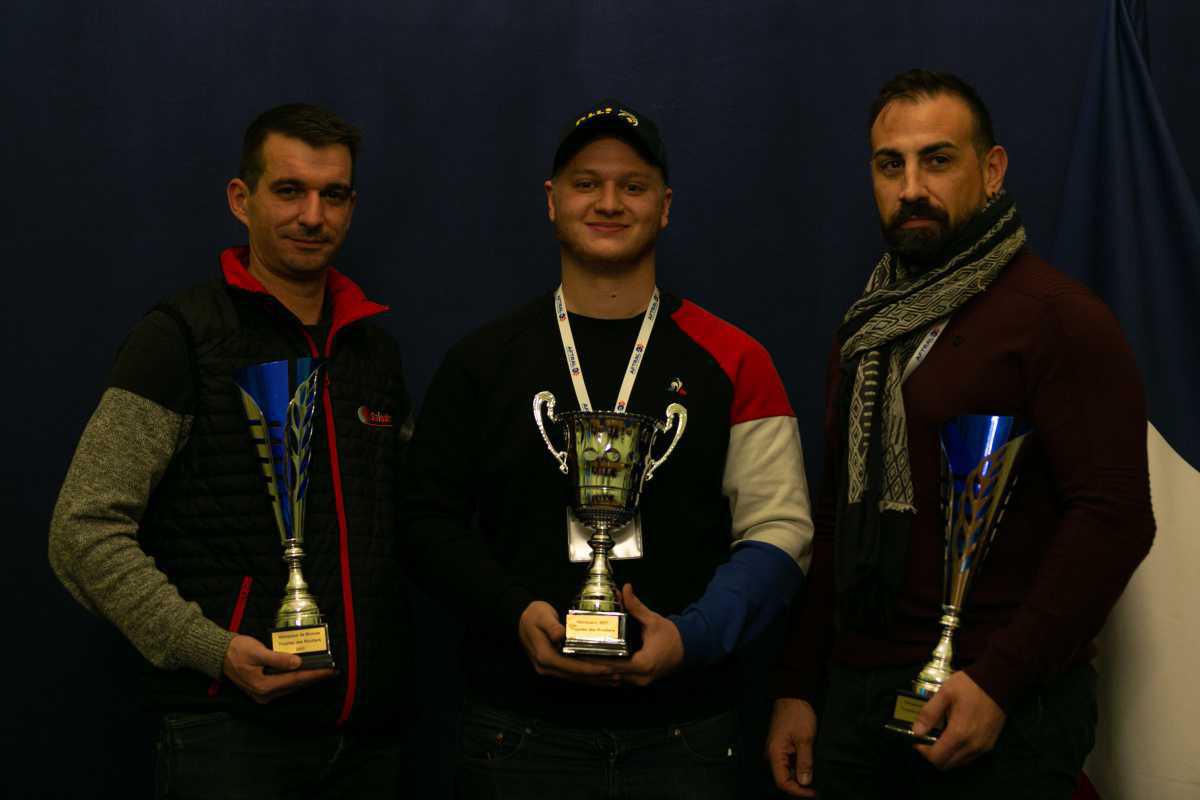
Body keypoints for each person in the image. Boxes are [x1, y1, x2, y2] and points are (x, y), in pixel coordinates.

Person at [400, 98, 814, 798]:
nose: (610, 202)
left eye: (634, 185)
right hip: (517, 733)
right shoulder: (481, 362)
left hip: (686, 734)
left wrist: (692, 636)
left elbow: (781, 531)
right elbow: (424, 519)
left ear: (665, 206)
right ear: (552, 200)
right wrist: (514, 612)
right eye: (587, 183)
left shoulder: (737, 360)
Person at [765, 70, 1156, 799]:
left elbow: (1115, 517)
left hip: (1000, 710)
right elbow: (836, 521)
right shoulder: (865, 332)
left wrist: (1001, 679)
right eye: (891, 165)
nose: (911, 187)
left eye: (937, 160)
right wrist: (799, 686)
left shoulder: (1059, 319)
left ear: (992, 170)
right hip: (857, 705)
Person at [48, 103, 413, 799]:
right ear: (241, 199)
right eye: (289, 190)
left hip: (368, 741)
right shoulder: (180, 338)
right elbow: (82, 530)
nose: (313, 216)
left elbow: (410, 525)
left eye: (333, 195)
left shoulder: (373, 354)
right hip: (230, 738)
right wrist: (211, 649)